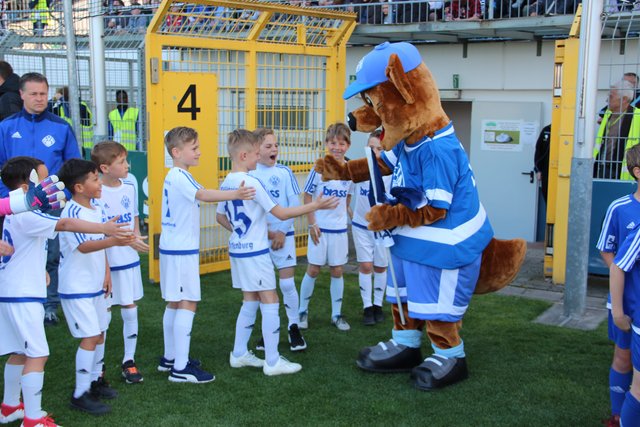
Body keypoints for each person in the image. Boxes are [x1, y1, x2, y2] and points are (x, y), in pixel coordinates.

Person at [0, 156, 128, 427]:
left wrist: (40, 270)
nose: (50, 185)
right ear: (27, 187)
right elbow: (67, 225)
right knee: (37, 354)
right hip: (23, 294)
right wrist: (104, 229)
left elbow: (24, 248)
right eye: (44, 179)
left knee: (19, 352)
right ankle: (34, 419)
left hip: (13, 291)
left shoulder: (15, 211)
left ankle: (10, 406)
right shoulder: (26, 212)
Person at [216, 129, 337, 376]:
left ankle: (239, 353)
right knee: (270, 298)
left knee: (250, 299)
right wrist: (315, 205)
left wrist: (247, 232)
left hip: (238, 250)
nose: (258, 156)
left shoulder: (227, 181)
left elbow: (220, 216)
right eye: (255, 152)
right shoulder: (252, 182)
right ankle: (272, 362)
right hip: (255, 252)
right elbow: (281, 213)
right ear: (244, 155)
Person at [158, 126, 255, 383]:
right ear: (176, 152)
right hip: (181, 250)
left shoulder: (175, 175)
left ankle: (170, 358)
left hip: (172, 247)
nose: (199, 152)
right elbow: (203, 194)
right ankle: (180, 368)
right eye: (194, 148)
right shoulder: (180, 175)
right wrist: (235, 193)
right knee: (188, 301)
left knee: (175, 302)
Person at [56, 158, 138, 415]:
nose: (99, 183)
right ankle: (80, 393)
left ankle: (94, 381)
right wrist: (114, 241)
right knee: (91, 337)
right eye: (94, 179)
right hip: (76, 287)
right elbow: (84, 246)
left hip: (95, 284)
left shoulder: (95, 208)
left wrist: (107, 273)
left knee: (100, 333)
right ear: (79, 187)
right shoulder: (72, 211)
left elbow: (100, 244)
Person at [0, 72, 82, 327]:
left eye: (43, 94)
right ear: (21, 94)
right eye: (34, 94)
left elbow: (72, 166)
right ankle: (12, 298)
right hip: (15, 206)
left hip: (50, 206)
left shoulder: (61, 127)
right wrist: (8, 199)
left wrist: (62, 196)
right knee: (12, 252)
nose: (39, 98)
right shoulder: (6, 127)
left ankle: (49, 304)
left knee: (51, 254)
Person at [91, 141, 149, 384]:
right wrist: (105, 264)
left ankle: (129, 360)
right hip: (104, 262)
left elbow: (134, 219)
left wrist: (135, 238)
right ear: (105, 168)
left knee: (130, 307)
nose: (127, 165)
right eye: (122, 162)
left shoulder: (130, 186)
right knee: (103, 315)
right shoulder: (95, 193)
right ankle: (98, 366)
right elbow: (96, 232)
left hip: (127, 261)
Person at [247, 128, 307, 352]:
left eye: (276, 145)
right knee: (264, 287)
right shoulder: (250, 175)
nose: (274, 149)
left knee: (287, 284)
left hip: (284, 235)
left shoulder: (284, 172)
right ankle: (269, 331)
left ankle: (293, 326)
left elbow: (294, 204)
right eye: (268, 146)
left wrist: (281, 231)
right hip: (260, 239)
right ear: (256, 150)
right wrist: (266, 233)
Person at [597, 145, 640, 427]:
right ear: (637, 172)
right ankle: (617, 415)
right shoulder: (620, 208)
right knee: (623, 358)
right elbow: (606, 250)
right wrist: (621, 274)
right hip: (624, 300)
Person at [298, 122, 354, 331]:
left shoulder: (350, 169)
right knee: (313, 269)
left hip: (339, 231)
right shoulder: (319, 168)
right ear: (326, 144)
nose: (337, 147)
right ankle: (302, 311)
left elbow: (348, 196)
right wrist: (312, 223)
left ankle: (336, 314)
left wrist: (344, 215)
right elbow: (307, 196)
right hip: (319, 229)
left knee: (337, 270)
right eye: (332, 143)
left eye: (341, 143)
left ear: (348, 145)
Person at [351, 130, 390, 325]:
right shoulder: (360, 168)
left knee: (380, 266)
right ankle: (367, 307)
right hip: (361, 225)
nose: (375, 152)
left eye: (379, 148)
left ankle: (377, 305)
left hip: (381, 227)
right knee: (366, 266)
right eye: (371, 147)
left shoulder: (390, 173)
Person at [593, 79, 640, 180]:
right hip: (602, 167)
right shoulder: (608, 114)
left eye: (611, 96)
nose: (607, 100)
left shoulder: (638, 116)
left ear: (624, 99)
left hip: (626, 173)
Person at [48, 86, 94, 151]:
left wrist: (61, 99)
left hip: (84, 147)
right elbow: (44, 111)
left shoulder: (81, 106)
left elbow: (70, 112)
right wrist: (54, 99)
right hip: (68, 146)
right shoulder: (60, 108)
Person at [534, 124, 551, 203]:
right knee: (547, 198)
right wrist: (538, 170)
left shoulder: (568, 130)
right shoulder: (546, 130)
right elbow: (538, 150)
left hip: (562, 172)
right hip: (546, 172)